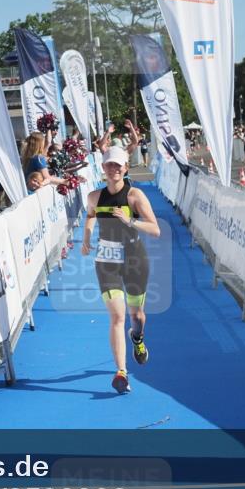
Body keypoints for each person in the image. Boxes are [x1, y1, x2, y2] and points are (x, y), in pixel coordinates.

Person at [81, 146, 161, 394]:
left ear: (126, 168)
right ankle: (121, 372)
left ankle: (137, 338)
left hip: (134, 260)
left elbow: (155, 229)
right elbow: (91, 215)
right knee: (117, 316)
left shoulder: (135, 196)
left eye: (118, 165)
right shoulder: (94, 197)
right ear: (103, 168)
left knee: (137, 317)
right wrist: (87, 237)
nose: (113, 169)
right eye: (109, 165)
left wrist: (130, 221)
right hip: (107, 262)